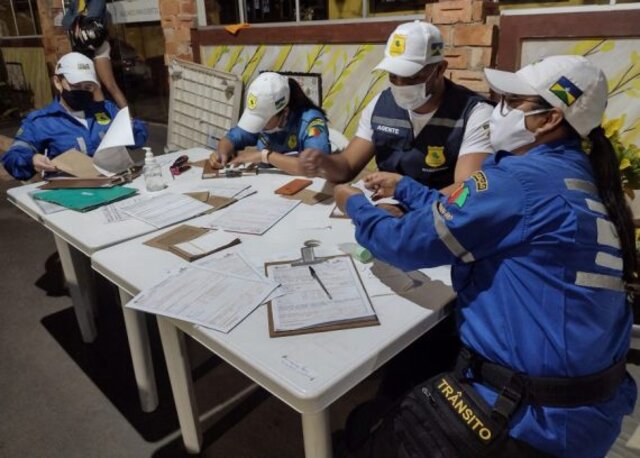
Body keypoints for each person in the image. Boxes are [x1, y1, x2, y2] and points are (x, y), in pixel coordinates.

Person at [334, 55, 637, 457]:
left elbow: (405, 244)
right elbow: (474, 214)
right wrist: (407, 188)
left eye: (512, 103)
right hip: (585, 410)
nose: (498, 112)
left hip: (527, 420)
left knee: (361, 431)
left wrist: (354, 203)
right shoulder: (577, 175)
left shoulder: (521, 182)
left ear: (548, 120)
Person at [299, 20, 493, 196]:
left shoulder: (474, 114)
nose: (400, 85)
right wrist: (323, 161)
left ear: (440, 69)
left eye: (412, 77)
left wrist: (409, 200)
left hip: (438, 216)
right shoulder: (380, 106)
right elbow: (347, 166)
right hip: (383, 207)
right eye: (393, 76)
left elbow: (468, 190)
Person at [1, 52, 148, 181]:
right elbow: (13, 158)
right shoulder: (40, 122)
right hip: (71, 193)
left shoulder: (106, 109)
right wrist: (31, 159)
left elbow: (139, 138)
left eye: (88, 87)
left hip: (116, 183)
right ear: (58, 82)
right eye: (76, 86)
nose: (82, 92)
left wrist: (132, 128)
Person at [208, 72, 331, 176]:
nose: (259, 127)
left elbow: (316, 166)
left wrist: (264, 156)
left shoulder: (311, 121)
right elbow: (231, 138)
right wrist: (222, 153)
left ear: (285, 112)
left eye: (263, 121)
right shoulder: (264, 117)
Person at [62, 0, 128, 109]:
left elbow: (92, 17)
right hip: (84, 47)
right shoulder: (75, 2)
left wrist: (76, 18)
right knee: (95, 86)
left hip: (98, 44)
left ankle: (129, 120)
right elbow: (65, 22)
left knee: (110, 85)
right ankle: (102, 120)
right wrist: (79, 16)